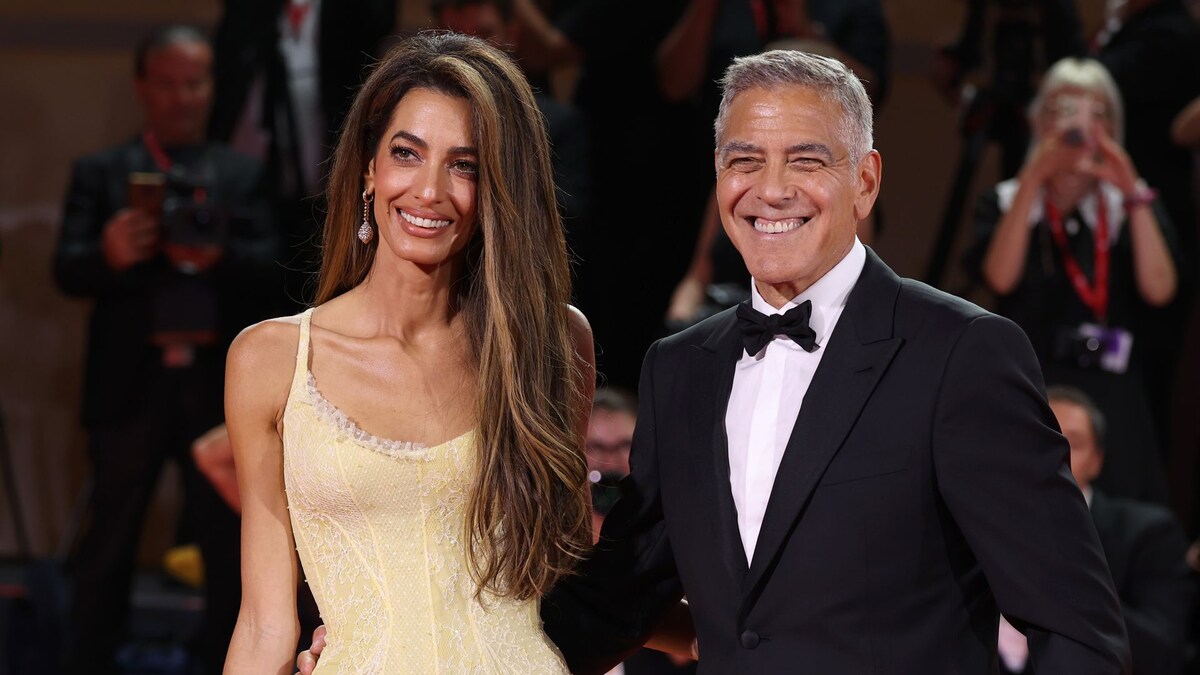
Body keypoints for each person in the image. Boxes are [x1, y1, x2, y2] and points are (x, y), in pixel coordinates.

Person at [537, 49, 1130, 672]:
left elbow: (1077, 630)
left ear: (866, 182)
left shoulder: (961, 353)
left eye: (806, 160)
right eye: (744, 161)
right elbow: (617, 599)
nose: (771, 190)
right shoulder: (679, 367)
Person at [222, 32, 596, 673]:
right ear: (369, 169)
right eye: (406, 154)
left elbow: (568, 581)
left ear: (498, 187)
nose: (428, 191)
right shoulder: (272, 360)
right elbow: (264, 624)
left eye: (464, 165)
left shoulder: (552, 343)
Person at [53, 25, 275, 675]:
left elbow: (276, 270)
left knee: (228, 544)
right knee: (109, 540)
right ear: (142, 87)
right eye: (169, 84)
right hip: (130, 383)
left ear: (212, 87)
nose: (182, 98)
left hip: (216, 390)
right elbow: (67, 269)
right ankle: (89, 662)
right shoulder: (102, 172)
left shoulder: (240, 174)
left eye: (194, 84)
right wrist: (110, 253)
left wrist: (218, 255)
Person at [963, 57, 1178, 504]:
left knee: (1118, 518)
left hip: (1114, 393)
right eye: (1064, 110)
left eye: (1098, 113)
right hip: (1030, 384)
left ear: (1114, 127)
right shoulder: (1008, 200)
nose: (1081, 126)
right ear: (1039, 122)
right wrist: (1035, 178)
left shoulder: (1128, 204)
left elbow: (1160, 290)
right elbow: (1000, 277)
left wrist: (1130, 189)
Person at [999, 386, 1194, 675]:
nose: (1055, 453)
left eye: (1074, 443)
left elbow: (1164, 652)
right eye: (1040, 437)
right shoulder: (974, 527)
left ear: (1097, 460)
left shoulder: (1149, 533)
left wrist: (1066, 582)